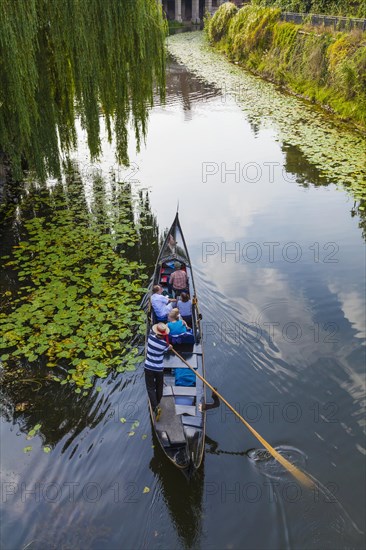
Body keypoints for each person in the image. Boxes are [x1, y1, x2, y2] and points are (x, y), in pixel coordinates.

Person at [144, 323, 172, 419]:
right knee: (159, 385)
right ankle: (158, 401)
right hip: (159, 369)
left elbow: (151, 332)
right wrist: (169, 348)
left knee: (150, 387)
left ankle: (155, 406)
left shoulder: (150, 338)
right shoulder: (164, 344)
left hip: (148, 367)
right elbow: (165, 351)